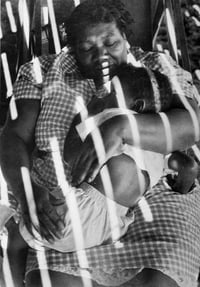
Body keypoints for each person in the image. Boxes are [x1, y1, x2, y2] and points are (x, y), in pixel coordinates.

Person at [0, 0, 200, 286]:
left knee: (158, 280)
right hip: (66, 194)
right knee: (50, 281)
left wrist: (120, 128)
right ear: (72, 47)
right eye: (87, 48)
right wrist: (26, 190)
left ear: (126, 39)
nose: (102, 55)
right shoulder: (43, 71)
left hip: (154, 195)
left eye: (111, 43)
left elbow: (193, 123)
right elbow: (13, 136)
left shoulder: (154, 68)